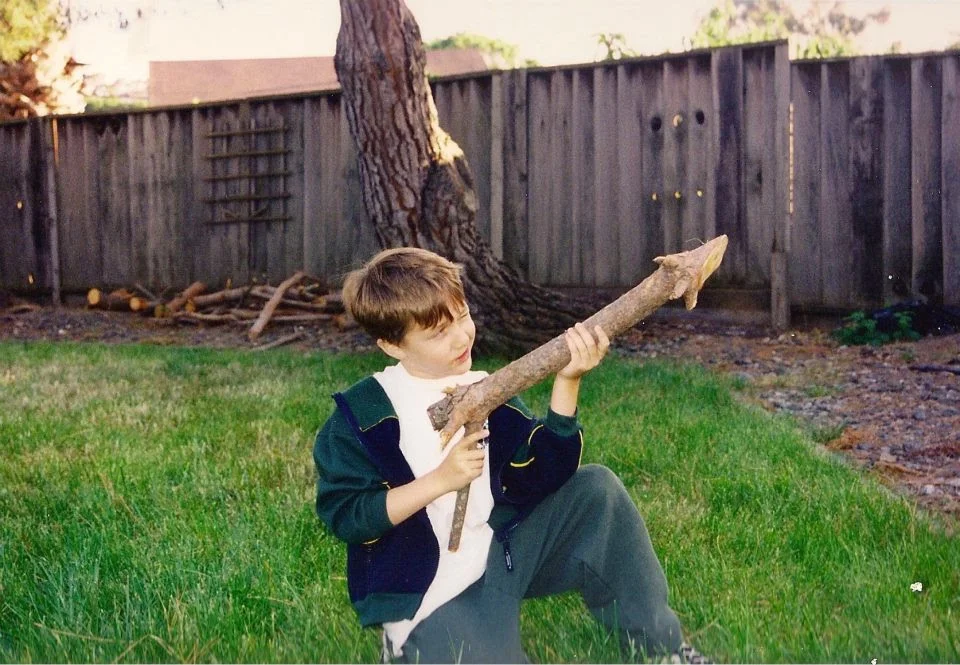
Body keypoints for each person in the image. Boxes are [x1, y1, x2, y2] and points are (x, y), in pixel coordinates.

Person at [313, 247, 701, 664]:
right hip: (432, 594)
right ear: (392, 345)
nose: (462, 336)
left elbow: (539, 476)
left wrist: (567, 381)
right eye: (439, 332)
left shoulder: (486, 390)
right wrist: (439, 482)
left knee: (597, 491)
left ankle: (662, 649)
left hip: (500, 555)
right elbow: (348, 515)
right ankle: (407, 647)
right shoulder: (364, 416)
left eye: (462, 315)